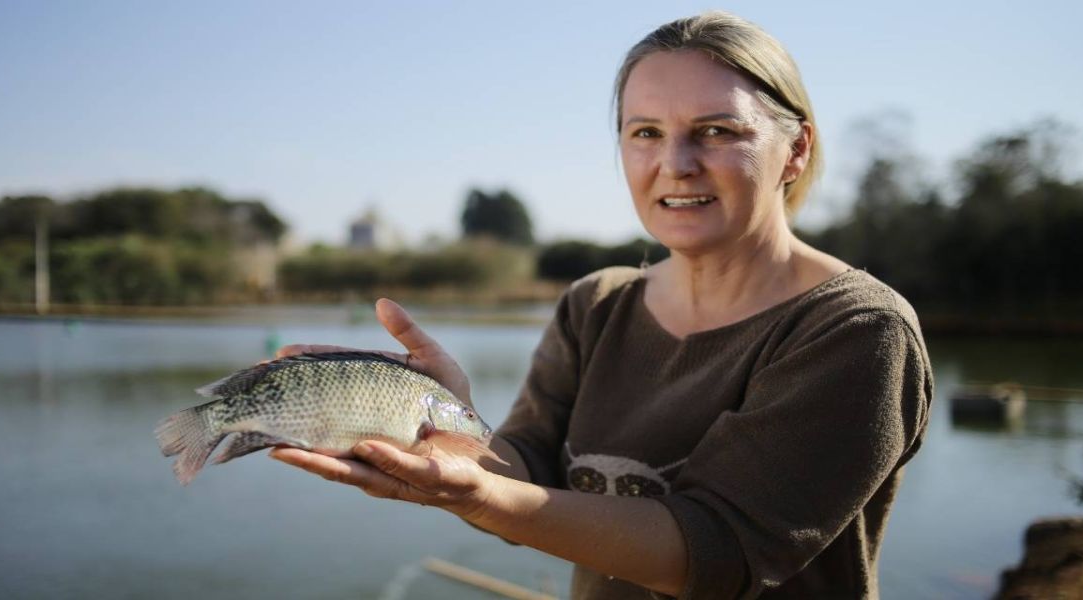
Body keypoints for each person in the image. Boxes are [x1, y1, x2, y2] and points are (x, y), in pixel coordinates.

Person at [271, 11, 932, 600]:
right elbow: (527, 471)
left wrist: (479, 493)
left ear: (796, 149)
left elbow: (717, 553)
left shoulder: (857, 331)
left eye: (717, 130)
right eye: (645, 131)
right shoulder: (597, 304)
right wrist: (452, 432)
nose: (676, 162)